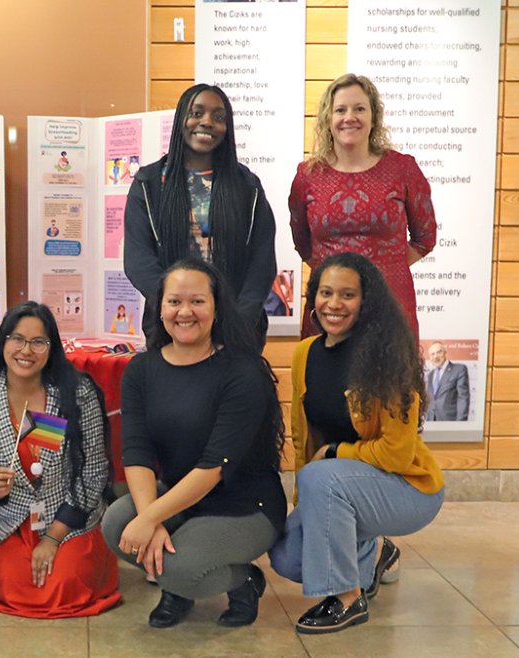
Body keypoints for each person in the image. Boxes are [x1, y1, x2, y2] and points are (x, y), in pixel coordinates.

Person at [102, 258, 286, 628]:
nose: (185, 312)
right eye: (174, 302)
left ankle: (244, 581)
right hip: (179, 496)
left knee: (178, 566)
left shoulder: (242, 371)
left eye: (197, 301)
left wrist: (151, 517)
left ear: (216, 307)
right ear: (160, 308)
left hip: (243, 503)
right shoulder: (141, 370)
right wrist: (146, 519)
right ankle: (178, 580)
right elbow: (136, 452)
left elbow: (214, 467)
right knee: (116, 524)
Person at [268, 252, 444, 635]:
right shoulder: (304, 353)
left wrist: (334, 454)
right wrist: (308, 500)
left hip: (408, 490)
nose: (334, 304)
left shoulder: (388, 359)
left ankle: (347, 598)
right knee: (287, 558)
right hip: (340, 488)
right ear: (313, 297)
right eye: (326, 292)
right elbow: (304, 437)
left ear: (366, 302)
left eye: (347, 295)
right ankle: (377, 551)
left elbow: (397, 453)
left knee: (322, 476)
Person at [0, 302, 121, 619]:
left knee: (65, 584)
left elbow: (93, 473)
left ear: (52, 347)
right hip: (14, 522)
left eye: (38, 342)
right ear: (3, 341)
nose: (26, 350)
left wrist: (52, 538)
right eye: (16, 339)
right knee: (14, 587)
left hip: (68, 518)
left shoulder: (76, 392)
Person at [123, 84, 277, 345]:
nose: (207, 122)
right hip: (170, 329)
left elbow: (262, 262)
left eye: (219, 117)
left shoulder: (247, 185)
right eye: (196, 113)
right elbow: (139, 261)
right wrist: (178, 310)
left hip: (237, 332)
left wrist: (238, 319)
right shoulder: (149, 184)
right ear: (181, 119)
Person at [289, 73, 436, 339]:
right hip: (329, 310)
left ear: (373, 117)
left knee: (390, 380)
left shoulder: (403, 169)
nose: (350, 117)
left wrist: (386, 267)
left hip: (389, 308)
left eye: (359, 109)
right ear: (328, 119)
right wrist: (334, 274)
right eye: (340, 110)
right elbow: (302, 242)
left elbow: (425, 238)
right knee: (325, 378)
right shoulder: (307, 175)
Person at [424, 342, 470, 421]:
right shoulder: (430, 375)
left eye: (439, 352)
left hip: (450, 421)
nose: (436, 356)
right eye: (432, 354)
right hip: (431, 421)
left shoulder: (459, 369)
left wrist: (460, 424)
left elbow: (463, 397)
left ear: (445, 353)